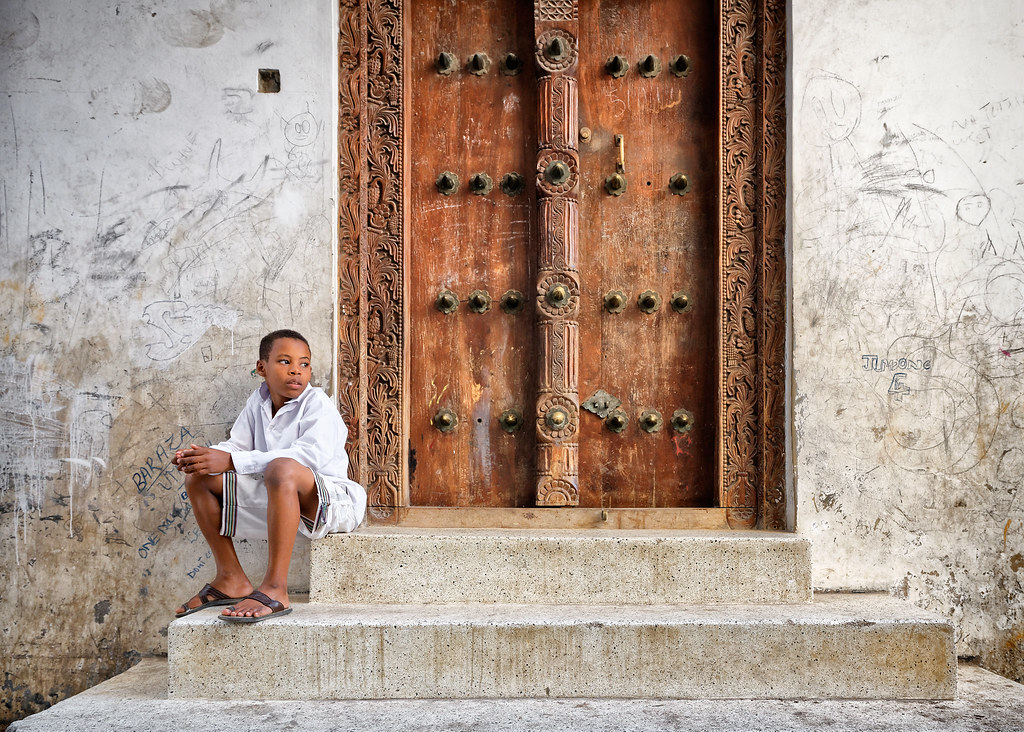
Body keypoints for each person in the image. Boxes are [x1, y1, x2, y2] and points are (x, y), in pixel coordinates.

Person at [171, 329, 366, 623]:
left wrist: (232, 460)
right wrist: (203, 457)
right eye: (285, 362)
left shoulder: (318, 405)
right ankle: (231, 578)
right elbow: (236, 446)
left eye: (304, 364)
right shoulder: (258, 402)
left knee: (282, 466)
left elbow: (307, 458)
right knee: (200, 477)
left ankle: (276, 588)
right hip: (280, 497)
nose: (296, 371)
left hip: (330, 503)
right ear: (262, 368)